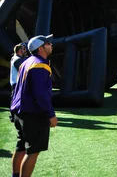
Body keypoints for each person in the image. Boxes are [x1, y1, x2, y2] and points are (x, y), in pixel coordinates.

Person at [10, 35, 57, 177]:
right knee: (32, 151)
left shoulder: (27, 62)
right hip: (33, 114)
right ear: (40, 48)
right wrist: (51, 115)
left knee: (20, 147)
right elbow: (41, 94)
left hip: (20, 112)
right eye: (48, 43)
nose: (51, 45)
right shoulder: (40, 65)